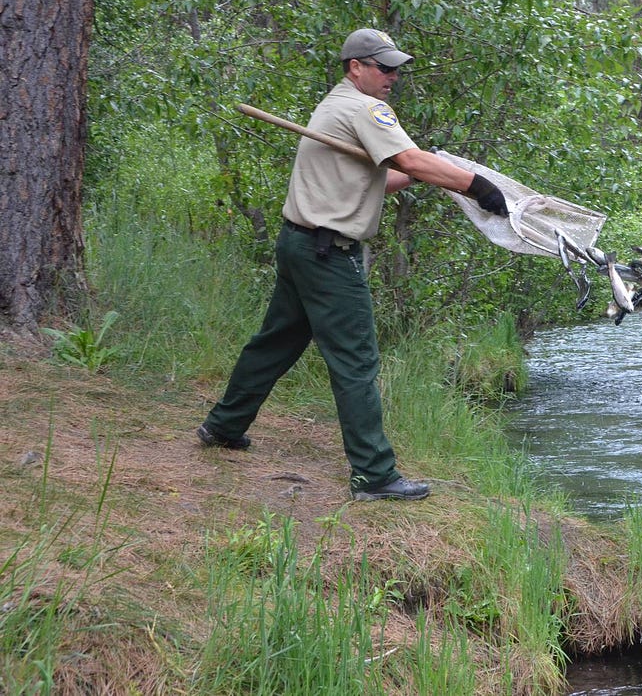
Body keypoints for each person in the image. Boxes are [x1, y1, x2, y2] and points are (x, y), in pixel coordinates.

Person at [195, 28, 509, 502]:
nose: (392, 77)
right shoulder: (365, 109)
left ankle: (223, 426)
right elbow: (408, 158)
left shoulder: (333, 105)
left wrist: (426, 175)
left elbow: (377, 179)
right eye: (383, 67)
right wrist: (476, 185)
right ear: (355, 67)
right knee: (356, 361)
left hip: (298, 243)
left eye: (396, 68)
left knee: (275, 343)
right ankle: (375, 475)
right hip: (328, 255)